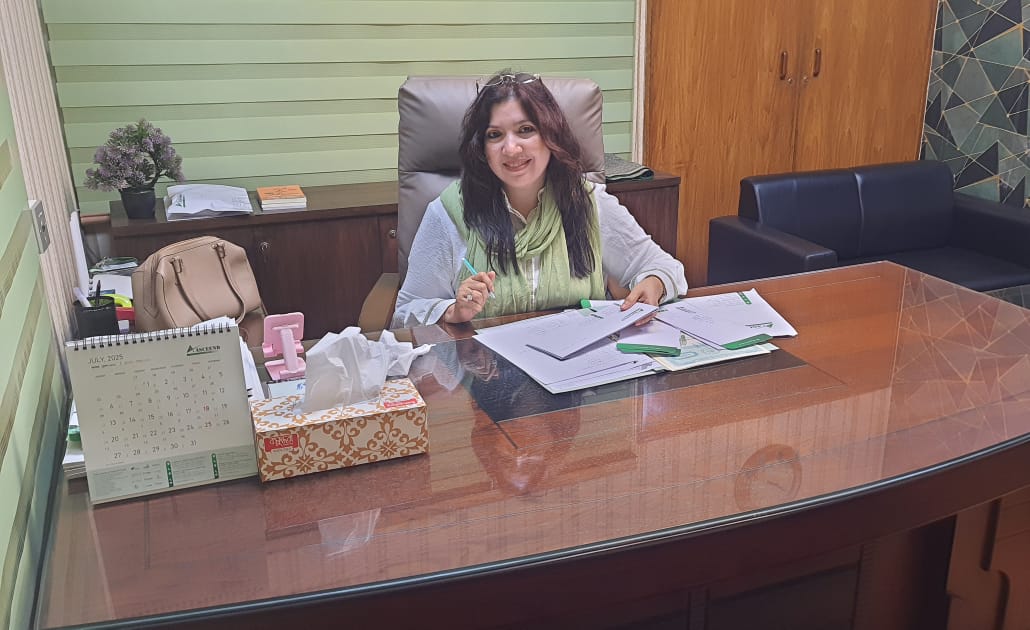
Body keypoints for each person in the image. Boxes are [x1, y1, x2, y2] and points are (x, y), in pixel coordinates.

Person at [392, 70, 687, 328]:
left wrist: (655, 282)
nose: (511, 149)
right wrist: (453, 311)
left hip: (578, 362)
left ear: (551, 136)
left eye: (526, 130)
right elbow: (406, 312)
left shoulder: (587, 203)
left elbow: (665, 267)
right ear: (481, 148)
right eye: (494, 135)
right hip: (484, 368)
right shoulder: (450, 212)